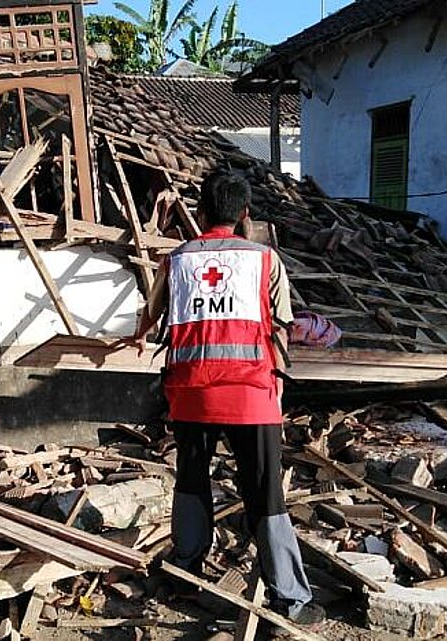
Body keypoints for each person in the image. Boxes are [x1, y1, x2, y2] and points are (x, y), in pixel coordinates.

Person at [120, 172, 324, 629]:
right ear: (245, 215)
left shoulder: (176, 261)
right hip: (252, 396)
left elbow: (150, 319)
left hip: (190, 395)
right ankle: (289, 598)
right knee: (266, 494)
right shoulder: (266, 261)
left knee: (192, 483)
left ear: (204, 211)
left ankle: (184, 570)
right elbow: (282, 328)